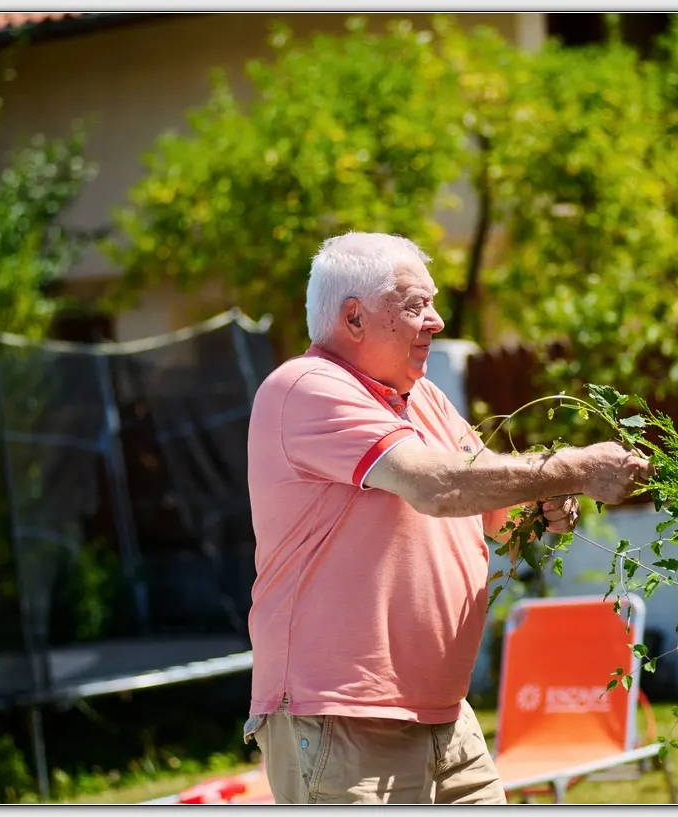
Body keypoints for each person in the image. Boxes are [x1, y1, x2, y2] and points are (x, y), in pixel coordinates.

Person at [243, 231, 656, 805]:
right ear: (354, 318)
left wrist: (542, 504)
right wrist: (575, 468)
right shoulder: (306, 388)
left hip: (444, 715)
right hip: (343, 718)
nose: (436, 321)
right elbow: (436, 485)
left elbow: (497, 518)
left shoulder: (426, 400)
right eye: (417, 305)